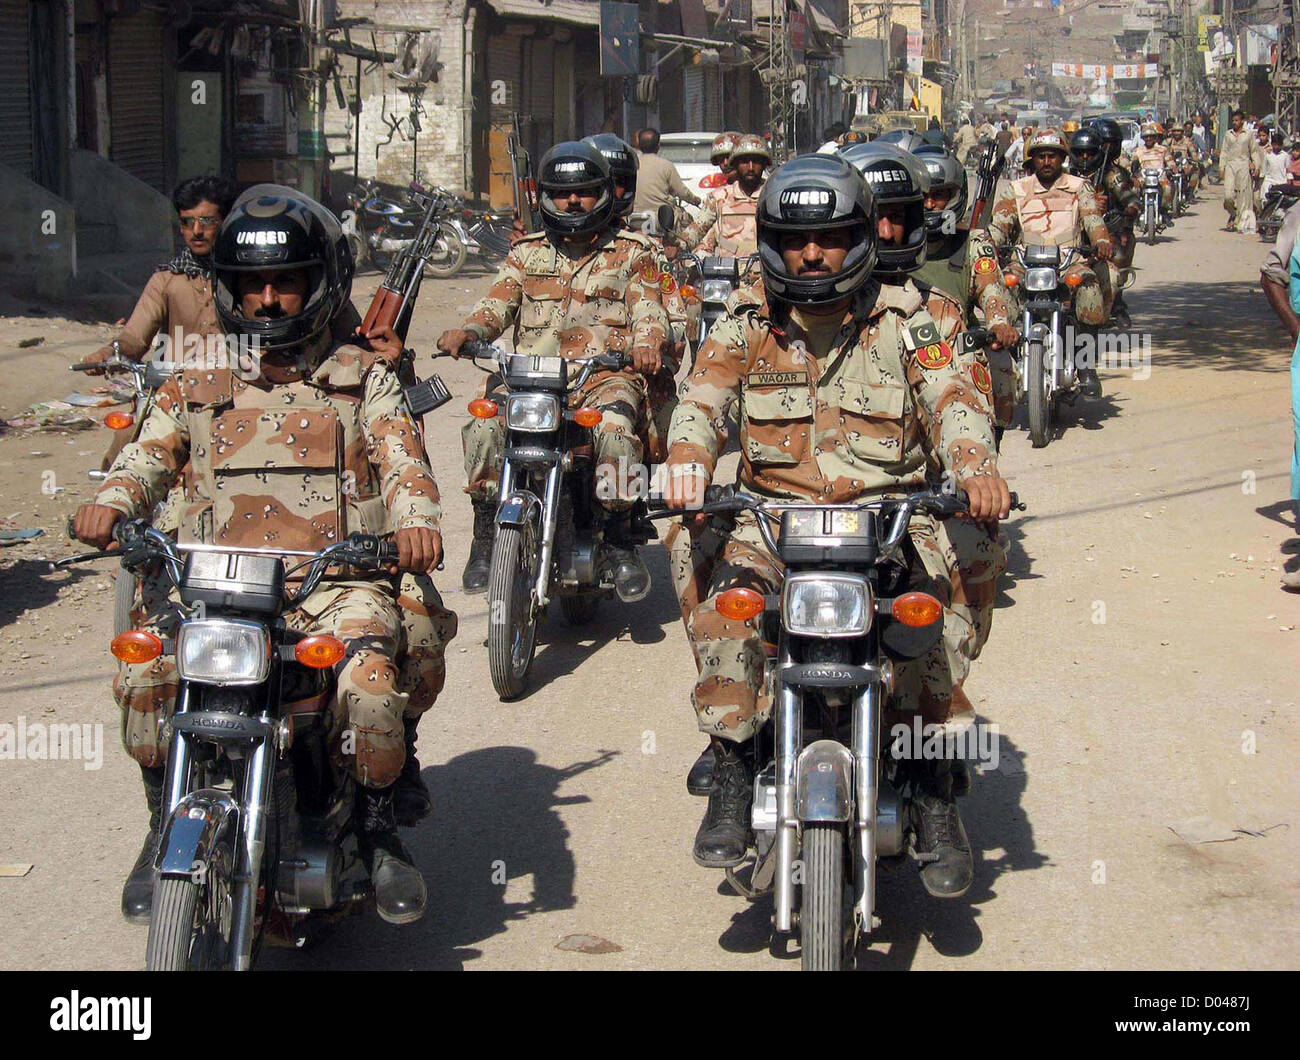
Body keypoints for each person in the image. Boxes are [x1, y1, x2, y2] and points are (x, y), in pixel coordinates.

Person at [72, 185, 454, 926]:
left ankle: (377, 829)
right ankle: (161, 820)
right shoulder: (196, 376)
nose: (271, 300)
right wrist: (112, 503)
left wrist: (415, 524)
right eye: (254, 285)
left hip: (333, 583)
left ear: (319, 286)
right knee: (144, 667)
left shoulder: (360, 377)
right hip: (216, 585)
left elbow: (406, 464)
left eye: (287, 283)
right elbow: (146, 457)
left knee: (373, 683)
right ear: (230, 289)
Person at [661, 153, 1010, 896]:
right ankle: (733, 755)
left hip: (888, 518)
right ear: (771, 241)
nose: (811, 254)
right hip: (773, 519)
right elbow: (702, 397)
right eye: (794, 239)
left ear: (858, 238)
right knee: (708, 571)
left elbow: (952, 397)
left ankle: (930, 782)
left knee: (935, 622)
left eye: (828, 237)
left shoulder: (913, 315)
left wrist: (974, 465)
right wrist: (688, 460)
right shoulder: (747, 318)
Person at [437, 141, 670, 599]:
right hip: (530, 378)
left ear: (602, 193)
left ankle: (621, 538)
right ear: (546, 197)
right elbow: (496, 303)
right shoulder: (526, 254)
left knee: (618, 429)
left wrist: (646, 345)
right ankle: (486, 536)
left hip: (602, 378)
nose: (573, 202)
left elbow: (651, 312)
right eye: (563, 194)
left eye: (583, 192)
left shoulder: (632, 252)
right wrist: (467, 331)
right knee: (482, 426)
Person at [985, 128, 1114, 397]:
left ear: (1062, 158)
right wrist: (988, 246)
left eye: (1052, 156)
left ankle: (1086, 364)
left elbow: (1093, 219)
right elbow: (999, 226)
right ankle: (1008, 360)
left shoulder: (1080, 187)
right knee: (1000, 290)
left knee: (1090, 291)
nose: (1046, 161)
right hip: (1024, 262)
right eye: (1041, 156)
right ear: (1031, 160)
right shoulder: (1016, 190)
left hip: (1068, 261)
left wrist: (1101, 241)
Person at [1074, 120, 1139, 329]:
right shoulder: (1067, 175)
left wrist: (1123, 215)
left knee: (1116, 258)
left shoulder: (1112, 173)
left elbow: (1130, 199)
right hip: (1069, 232)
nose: (1086, 157)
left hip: (1104, 231)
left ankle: (1114, 303)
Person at [670, 133, 771, 260]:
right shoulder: (719, 198)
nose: (751, 167)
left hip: (764, 273)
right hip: (727, 272)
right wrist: (678, 246)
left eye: (756, 161)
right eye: (745, 161)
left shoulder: (773, 195)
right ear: (736, 164)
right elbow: (699, 228)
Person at [632, 127, 703, 216]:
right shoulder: (666, 165)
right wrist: (695, 200)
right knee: (688, 223)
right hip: (663, 217)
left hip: (635, 216)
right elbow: (682, 192)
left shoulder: (632, 165)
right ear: (658, 146)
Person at [1222, 110, 1263, 232]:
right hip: (1230, 165)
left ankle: (1241, 223)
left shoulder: (1249, 134)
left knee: (1243, 196)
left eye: (1237, 120)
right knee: (1228, 196)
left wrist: (1256, 165)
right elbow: (1224, 151)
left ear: (1242, 121)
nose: (1234, 123)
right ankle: (1233, 213)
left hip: (1244, 165)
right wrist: (1221, 167)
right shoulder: (1228, 134)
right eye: (1233, 120)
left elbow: (1254, 151)